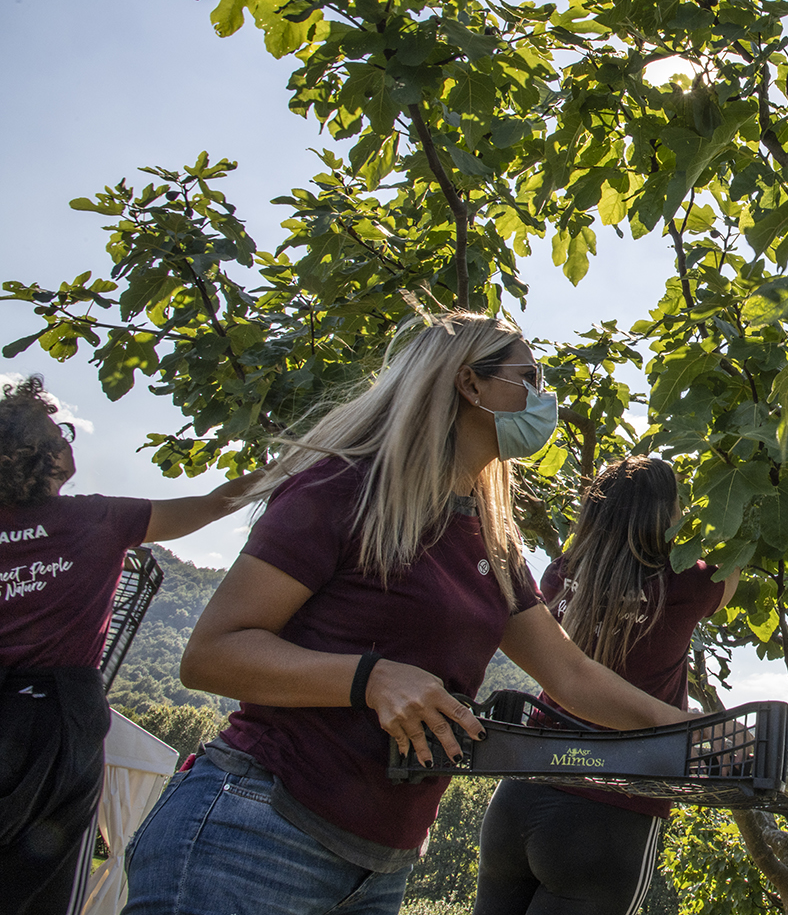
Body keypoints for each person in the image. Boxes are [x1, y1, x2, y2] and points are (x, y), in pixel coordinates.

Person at [122, 314, 694, 915]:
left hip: (380, 866)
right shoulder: (345, 488)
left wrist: (703, 738)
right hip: (255, 836)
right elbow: (211, 654)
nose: (543, 399)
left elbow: (572, 676)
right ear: (470, 385)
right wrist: (372, 678)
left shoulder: (491, 540)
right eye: (528, 378)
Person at [0, 375, 260, 915]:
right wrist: (286, 470)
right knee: (40, 885)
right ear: (42, 455)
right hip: (55, 720)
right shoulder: (98, 518)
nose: (70, 439)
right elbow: (212, 506)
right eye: (61, 431)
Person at [473, 455, 737, 915]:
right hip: (611, 811)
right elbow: (733, 566)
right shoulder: (687, 583)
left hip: (519, 794)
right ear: (666, 514)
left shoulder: (559, 573)